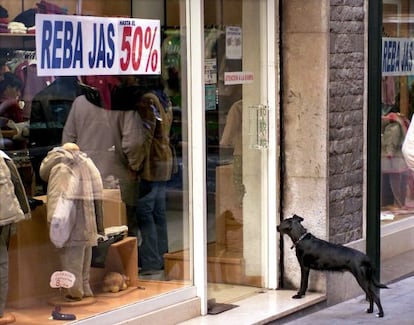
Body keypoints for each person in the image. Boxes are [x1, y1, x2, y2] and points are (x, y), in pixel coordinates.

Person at [63, 79, 148, 242]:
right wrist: (135, 166)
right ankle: (121, 266)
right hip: (116, 178)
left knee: (89, 231)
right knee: (121, 231)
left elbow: (67, 141)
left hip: (84, 180)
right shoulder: (124, 103)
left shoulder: (79, 103)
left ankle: (96, 266)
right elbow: (134, 142)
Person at [39, 143, 104, 301]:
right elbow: (97, 195)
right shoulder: (85, 164)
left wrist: (55, 225)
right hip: (85, 222)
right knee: (81, 260)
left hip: (71, 224)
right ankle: (83, 290)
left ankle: (75, 294)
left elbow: (58, 198)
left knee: (72, 261)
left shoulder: (63, 168)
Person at [135, 75, 175, 274]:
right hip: (164, 159)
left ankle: (151, 260)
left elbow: (147, 135)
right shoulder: (164, 99)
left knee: (145, 211)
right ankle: (163, 254)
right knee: (158, 212)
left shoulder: (148, 100)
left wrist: (138, 162)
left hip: (153, 161)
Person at [0, 149, 31, 323]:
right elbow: (18, 186)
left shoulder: (3, 158)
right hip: (4, 219)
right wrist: (24, 212)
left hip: (3, 220)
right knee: (1, 263)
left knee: (2, 264)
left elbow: (17, 186)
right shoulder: (3, 158)